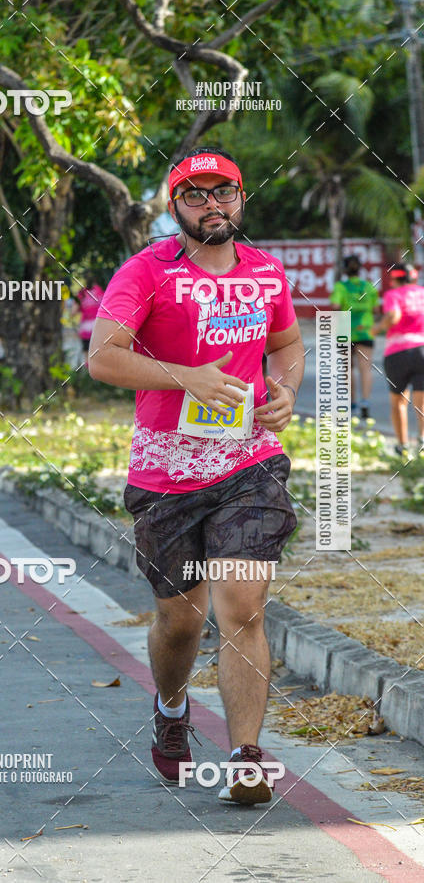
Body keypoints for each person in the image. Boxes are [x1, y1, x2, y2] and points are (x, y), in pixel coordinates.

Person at [88, 147, 303, 805]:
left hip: (249, 461)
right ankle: (173, 707)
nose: (213, 205)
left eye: (225, 193)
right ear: (174, 205)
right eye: (196, 195)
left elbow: (287, 344)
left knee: (242, 608)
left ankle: (244, 757)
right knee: (180, 623)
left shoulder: (266, 272)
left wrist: (285, 391)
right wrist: (187, 377)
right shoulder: (147, 271)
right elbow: (103, 357)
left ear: (242, 198)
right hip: (166, 475)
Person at [371, 263, 424, 457]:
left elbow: (393, 316)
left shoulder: (393, 295)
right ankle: (422, 441)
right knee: (422, 402)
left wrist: (376, 329)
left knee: (399, 402)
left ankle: (402, 447)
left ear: (395, 279)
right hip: (422, 350)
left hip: (397, 353)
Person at [329, 254, 379, 419]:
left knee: (347, 369)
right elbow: (377, 309)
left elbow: (335, 306)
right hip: (365, 330)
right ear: (360, 268)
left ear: (344, 269)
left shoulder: (341, 287)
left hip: (344, 329)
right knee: (365, 369)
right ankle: (365, 401)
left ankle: (352, 404)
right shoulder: (369, 286)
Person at [77, 277, 104, 361]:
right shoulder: (99, 291)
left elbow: (74, 310)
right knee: (99, 351)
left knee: (86, 352)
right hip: (97, 325)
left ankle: (88, 368)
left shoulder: (82, 293)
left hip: (85, 327)